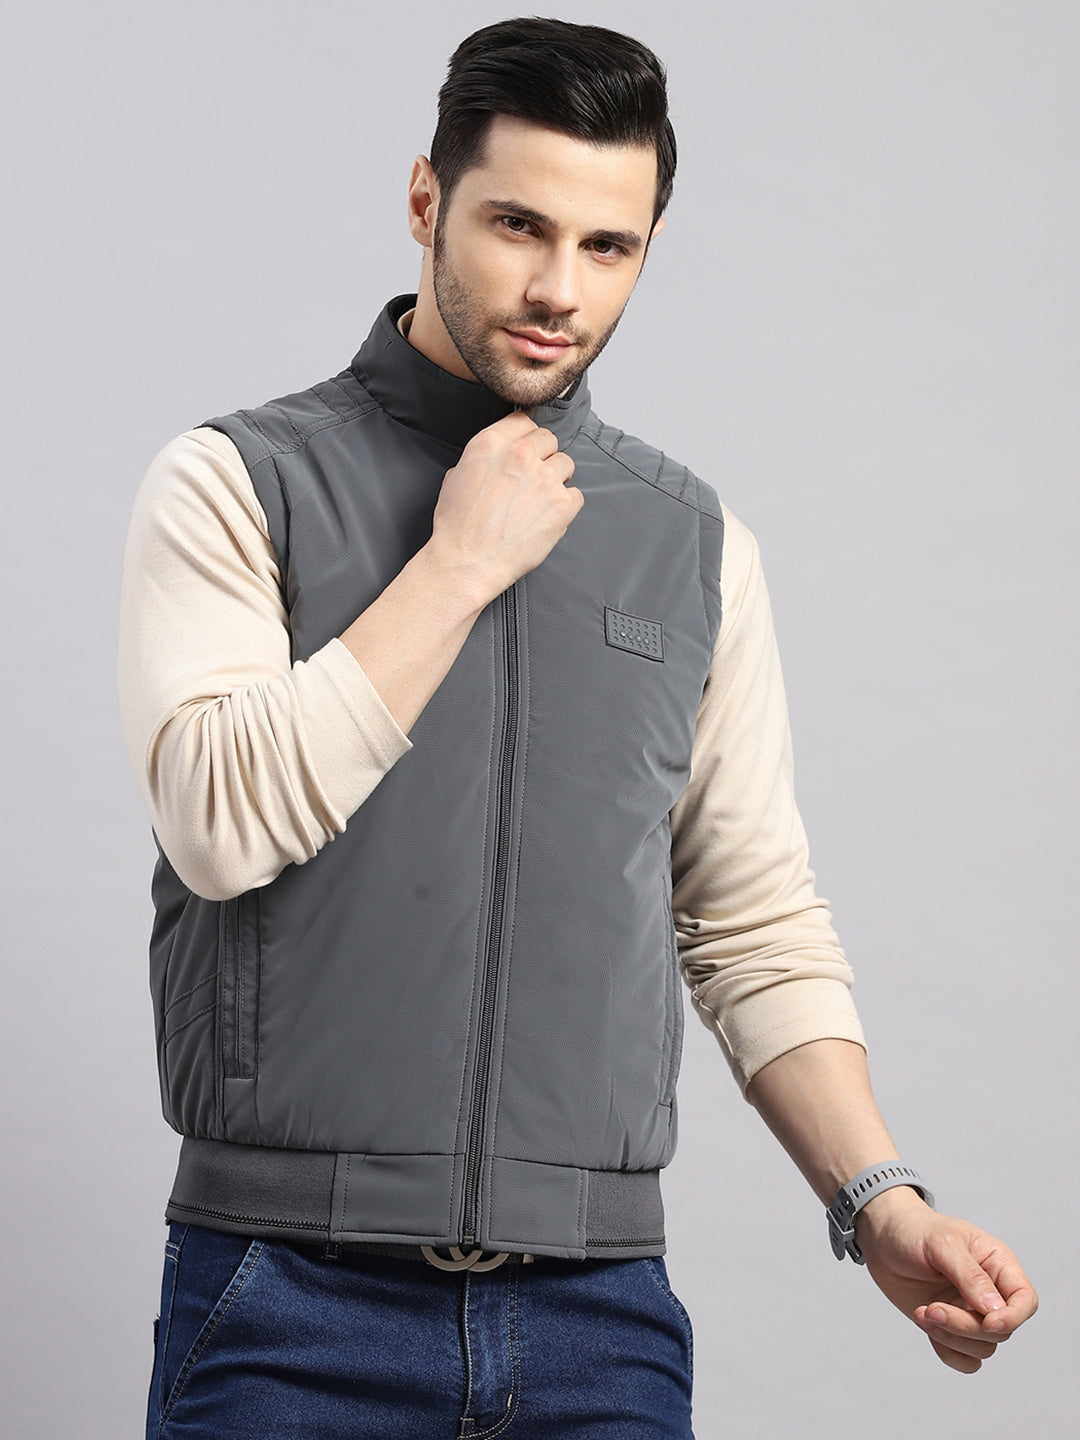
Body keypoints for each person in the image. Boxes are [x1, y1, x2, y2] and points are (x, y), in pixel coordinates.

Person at [119, 17, 1037, 1438]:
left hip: (600, 1324)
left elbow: (750, 921)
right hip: (288, 1302)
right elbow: (218, 820)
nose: (560, 289)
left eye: (610, 247)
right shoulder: (238, 483)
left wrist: (881, 1202)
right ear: (425, 200)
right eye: (518, 227)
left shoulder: (696, 547)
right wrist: (456, 567)